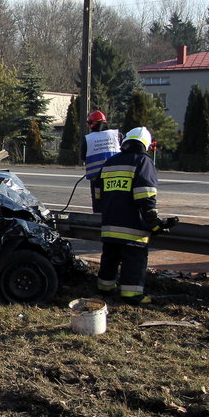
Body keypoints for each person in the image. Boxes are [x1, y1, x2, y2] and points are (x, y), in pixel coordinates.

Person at [95, 127, 164, 305]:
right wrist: (153, 221)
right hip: (132, 226)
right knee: (134, 260)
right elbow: (145, 195)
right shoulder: (142, 162)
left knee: (109, 258)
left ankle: (105, 289)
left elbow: (98, 195)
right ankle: (131, 295)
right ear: (145, 145)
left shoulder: (110, 162)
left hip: (109, 224)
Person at [82, 110, 122, 212]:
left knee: (98, 204)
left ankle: (98, 223)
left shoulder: (88, 139)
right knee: (115, 202)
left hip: (96, 180)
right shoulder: (117, 135)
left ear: (91, 124)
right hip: (116, 176)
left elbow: (83, 157)